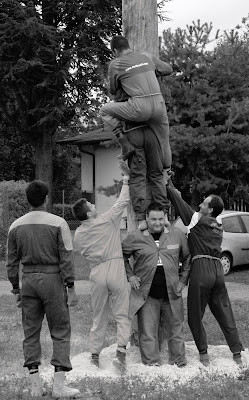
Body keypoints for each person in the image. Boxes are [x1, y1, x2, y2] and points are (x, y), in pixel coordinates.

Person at [6, 180, 80, 399]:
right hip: (52, 280)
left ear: (28, 200)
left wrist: (16, 288)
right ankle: (59, 386)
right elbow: (66, 257)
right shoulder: (59, 223)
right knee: (60, 330)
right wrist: (72, 287)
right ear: (47, 199)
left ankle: (35, 386)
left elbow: (11, 261)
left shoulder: (15, 226)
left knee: (30, 332)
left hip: (27, 279)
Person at [165, 176, 244, 366]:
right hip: (218, 271)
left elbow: (178, 202)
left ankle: (203, 354)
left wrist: (168, 184)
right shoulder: (218, 226)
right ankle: (237, 354)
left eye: (204, 202)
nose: (200, 203)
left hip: (201, 269)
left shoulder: (197, 220)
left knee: (195, 315)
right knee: (225, 311)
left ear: (209, 210)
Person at [73, 160, 131, 373]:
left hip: (96, 271)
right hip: (115, 267)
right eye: (92, 206)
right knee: (122, 313)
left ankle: (95, 355)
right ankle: (121, 353)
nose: (95, 206)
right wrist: (126, 177)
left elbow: (80, 250)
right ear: (89, 213)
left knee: (99, 316)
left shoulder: (79, 232)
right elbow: (123, 200)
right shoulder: (107, 220)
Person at [121, 202, 191, 367]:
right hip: (147, 293)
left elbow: (187, 258)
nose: (157, 223)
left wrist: (182, 279)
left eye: (161, 219)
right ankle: (151, 363)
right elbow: (121, 256)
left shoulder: (177, 235)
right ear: (147, 218)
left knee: (176, 328)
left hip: (172, 292)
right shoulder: (135, 237)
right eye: (153, 219)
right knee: (148, 331)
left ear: (165, 218)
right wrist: (130, 276)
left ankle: (178, 361)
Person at [99, 35, 172, 171]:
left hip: (139, 107)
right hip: (159, 104)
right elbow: (168, 69)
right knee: (164, 142)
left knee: (104, 111)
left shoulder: (116, 63)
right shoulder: (147, 57)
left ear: (115, 51)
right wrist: (152, 69)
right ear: (128, 46)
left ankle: (124, 142)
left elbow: (114, 90)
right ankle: (167, 174)